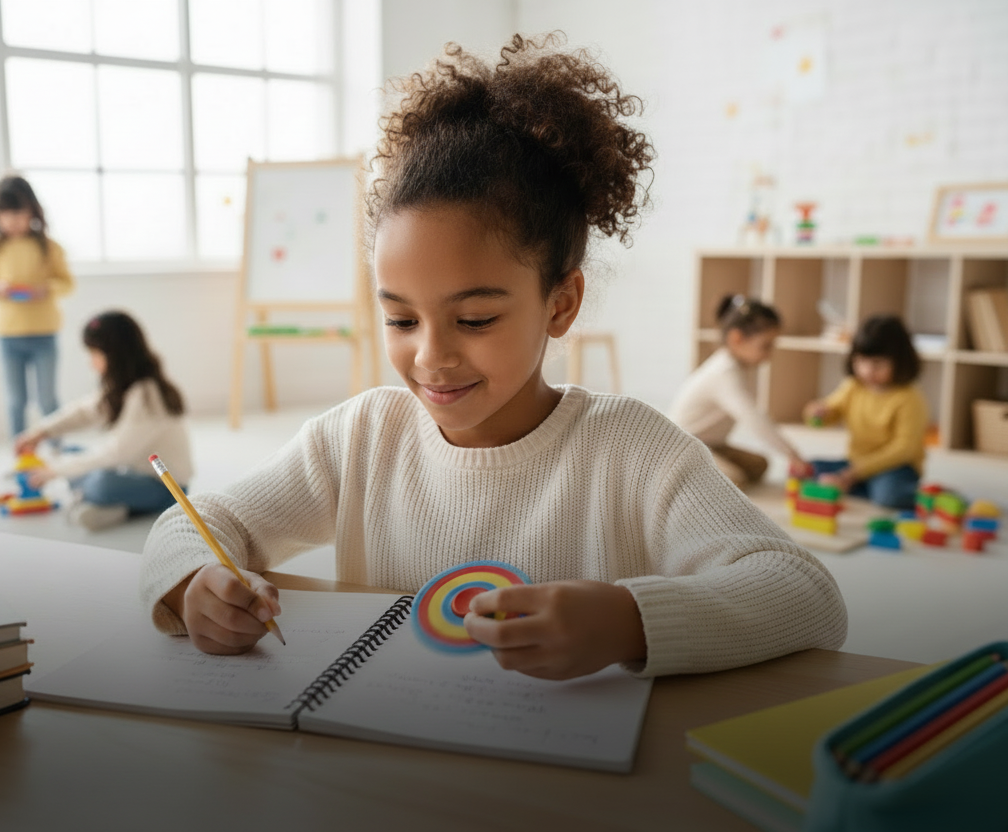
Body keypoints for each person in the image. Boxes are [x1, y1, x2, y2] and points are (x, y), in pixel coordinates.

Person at [140, 34, 846, 679]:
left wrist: (628, 621)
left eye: (475, 318)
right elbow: (193, 520)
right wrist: (193, 581)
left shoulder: (634, 451)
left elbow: (804, 592)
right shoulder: (358, 440)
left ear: (561, 304)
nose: (431, 356)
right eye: (401, 318)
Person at [15, 311, 194, 531]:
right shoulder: (124, 385)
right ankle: (110, 505)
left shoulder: (148, 395)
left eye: (94, 354)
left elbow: (114, 454)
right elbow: (84, 412)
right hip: (130, 472)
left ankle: (113, 505)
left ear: (115, 355)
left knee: (101, 483)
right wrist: (41, 431)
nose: (91, 363)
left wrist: (54, 471)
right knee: (70, 453)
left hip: (167, 487)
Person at [670, 295, 810, 488]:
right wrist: (792, 454)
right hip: (684, 449)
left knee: (760, 465)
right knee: (734, 481)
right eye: (765, 346)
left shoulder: (736, 367)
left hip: (712, 446)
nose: (769, 355)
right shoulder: (723, 372)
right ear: (737, 339)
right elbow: (754, 419)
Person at [0, 175, 75, 438]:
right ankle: (19, 452)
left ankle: (57, 448)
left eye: (18, 212)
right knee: (15, 401)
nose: (12, 220)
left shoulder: (49, 247)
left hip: (44, 332)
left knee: (48, 400)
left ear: (32, 210)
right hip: (8, 335)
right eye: (5, 214)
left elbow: (67, 283)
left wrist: (45, 290)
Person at [802, 315, 927, 509]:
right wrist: (817, 412)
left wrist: (852, 474)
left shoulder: (909, 398)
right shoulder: (853, 386)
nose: (868, 371)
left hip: (895, 467)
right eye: (861, 362)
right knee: (807, 470)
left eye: (878, 364)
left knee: (890, 497)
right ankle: (860, 485)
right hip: (855, 463)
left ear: (900, 361)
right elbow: (831, 411)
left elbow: (904, 449)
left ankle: (912, 492)